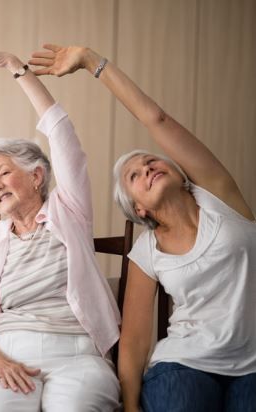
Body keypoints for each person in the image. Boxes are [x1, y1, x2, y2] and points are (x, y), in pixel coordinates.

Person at [28, 44, 256, 411]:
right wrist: (131, 405)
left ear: (181, 174)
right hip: (184, 365)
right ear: (138, 208)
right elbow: (133, 343)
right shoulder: (145, 253)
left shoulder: (221, 197)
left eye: (151, 161)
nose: (148, 167)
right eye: (135, 175)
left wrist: (91, 61)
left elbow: (157, 120)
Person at [0, 42, 121, 411]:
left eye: (3, 173)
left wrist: (17, 68)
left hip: (78, 353)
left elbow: (62, 135)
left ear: (37, 176)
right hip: (10, 350)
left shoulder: (68, 212)